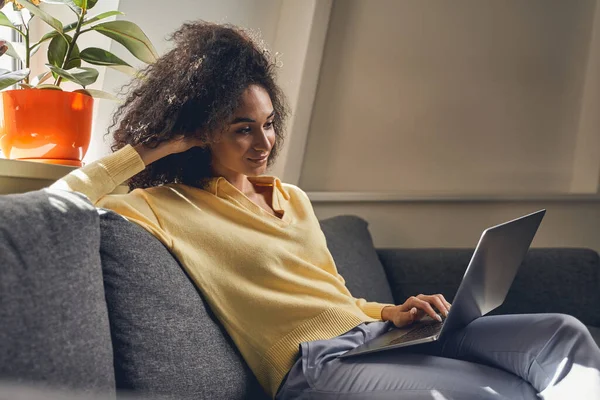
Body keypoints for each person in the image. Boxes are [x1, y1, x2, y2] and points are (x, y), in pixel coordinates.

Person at [51, 21, 600, 400]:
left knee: (561, 334)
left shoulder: (292, 198)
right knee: (499, 392)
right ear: (198, 134)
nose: (262, 142)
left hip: (377, 336)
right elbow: (59, 205)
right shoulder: (162, 207)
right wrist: (153, 146)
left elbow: (334, 295)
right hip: (316, 367)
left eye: (267, 123)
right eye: (241, 129)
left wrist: (393, 312)